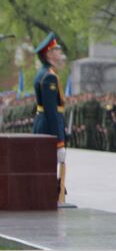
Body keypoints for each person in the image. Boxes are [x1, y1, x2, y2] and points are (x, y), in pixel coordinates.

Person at [32, 33, 67, 172]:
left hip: (43, 124)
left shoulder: (43, 73)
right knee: (47, 172)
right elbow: (51, 111)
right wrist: (59, 143)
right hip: (48, 127)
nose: (60, 52)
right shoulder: (49, 77)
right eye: (56, 49)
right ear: (49, 54)